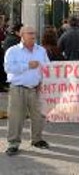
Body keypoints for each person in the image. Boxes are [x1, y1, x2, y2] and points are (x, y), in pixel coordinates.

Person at [4, 26, 50, 156]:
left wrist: (42, 82)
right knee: (16, 117)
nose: (33, 36)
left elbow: (47, 67)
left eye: (34, 33)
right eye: (30, 33)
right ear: (22, 35)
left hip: (35, 88)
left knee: (38, 116)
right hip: (18, 89)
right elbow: (8, 68)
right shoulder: (12, 51)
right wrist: (27, 65)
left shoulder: (41, 51)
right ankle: (13, 143)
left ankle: (37, 139)